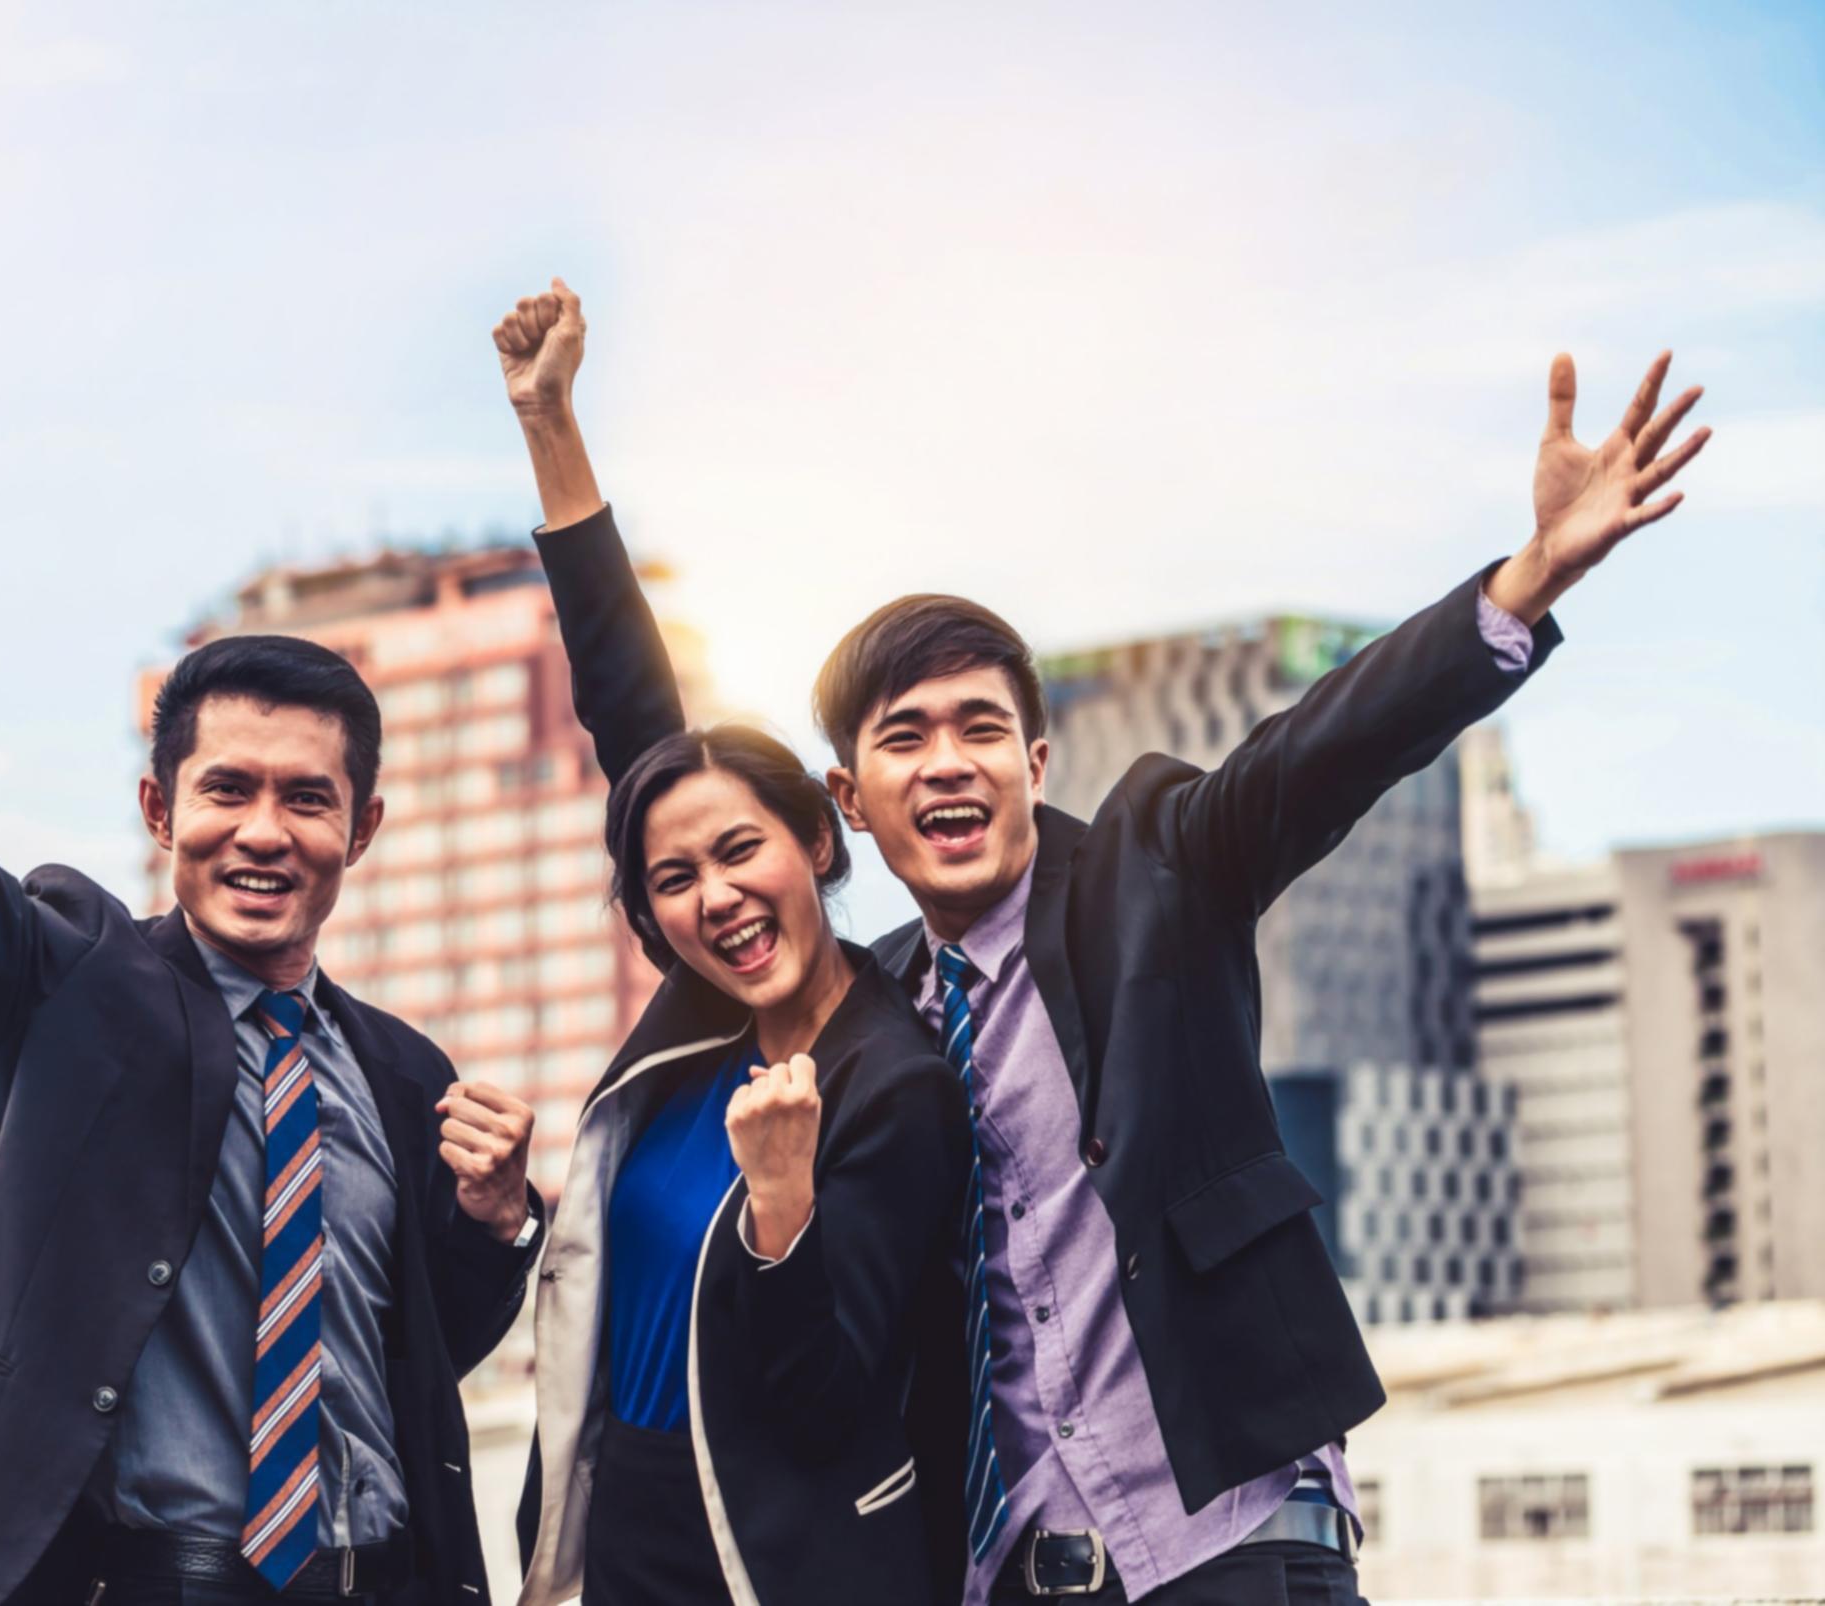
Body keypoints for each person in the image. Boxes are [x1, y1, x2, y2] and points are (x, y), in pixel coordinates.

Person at [496, 280, 1712, 1605]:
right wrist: (554, 434)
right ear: (846, 798)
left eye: (979, 728)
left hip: (1228, 1541)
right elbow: (664, 764)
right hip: (1014, 1572)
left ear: (1034, 760)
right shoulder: (876, 1016)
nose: (946, 761)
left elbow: (1318, 751)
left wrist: (1529, 577)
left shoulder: (1153, 877)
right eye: (904, 738)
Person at [0, 395, 549, 1606]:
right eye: (227, 790)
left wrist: (494, 1220)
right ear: (161, 811)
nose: (264, 831)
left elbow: (409, 1356)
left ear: (359, 829)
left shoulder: (407, 1075)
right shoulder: (71, 980)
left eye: (307, 799)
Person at [492, 290, 972, 1606]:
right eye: (674, 880)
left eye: (740, 850)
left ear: (816, 838)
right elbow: (626, 697)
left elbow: (823, 1398)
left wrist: (781, 1202)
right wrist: (549, 422)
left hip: (775, 1562)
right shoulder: (700, 1018)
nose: (716, 896)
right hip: (621, 1538)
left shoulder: (897, 1080)